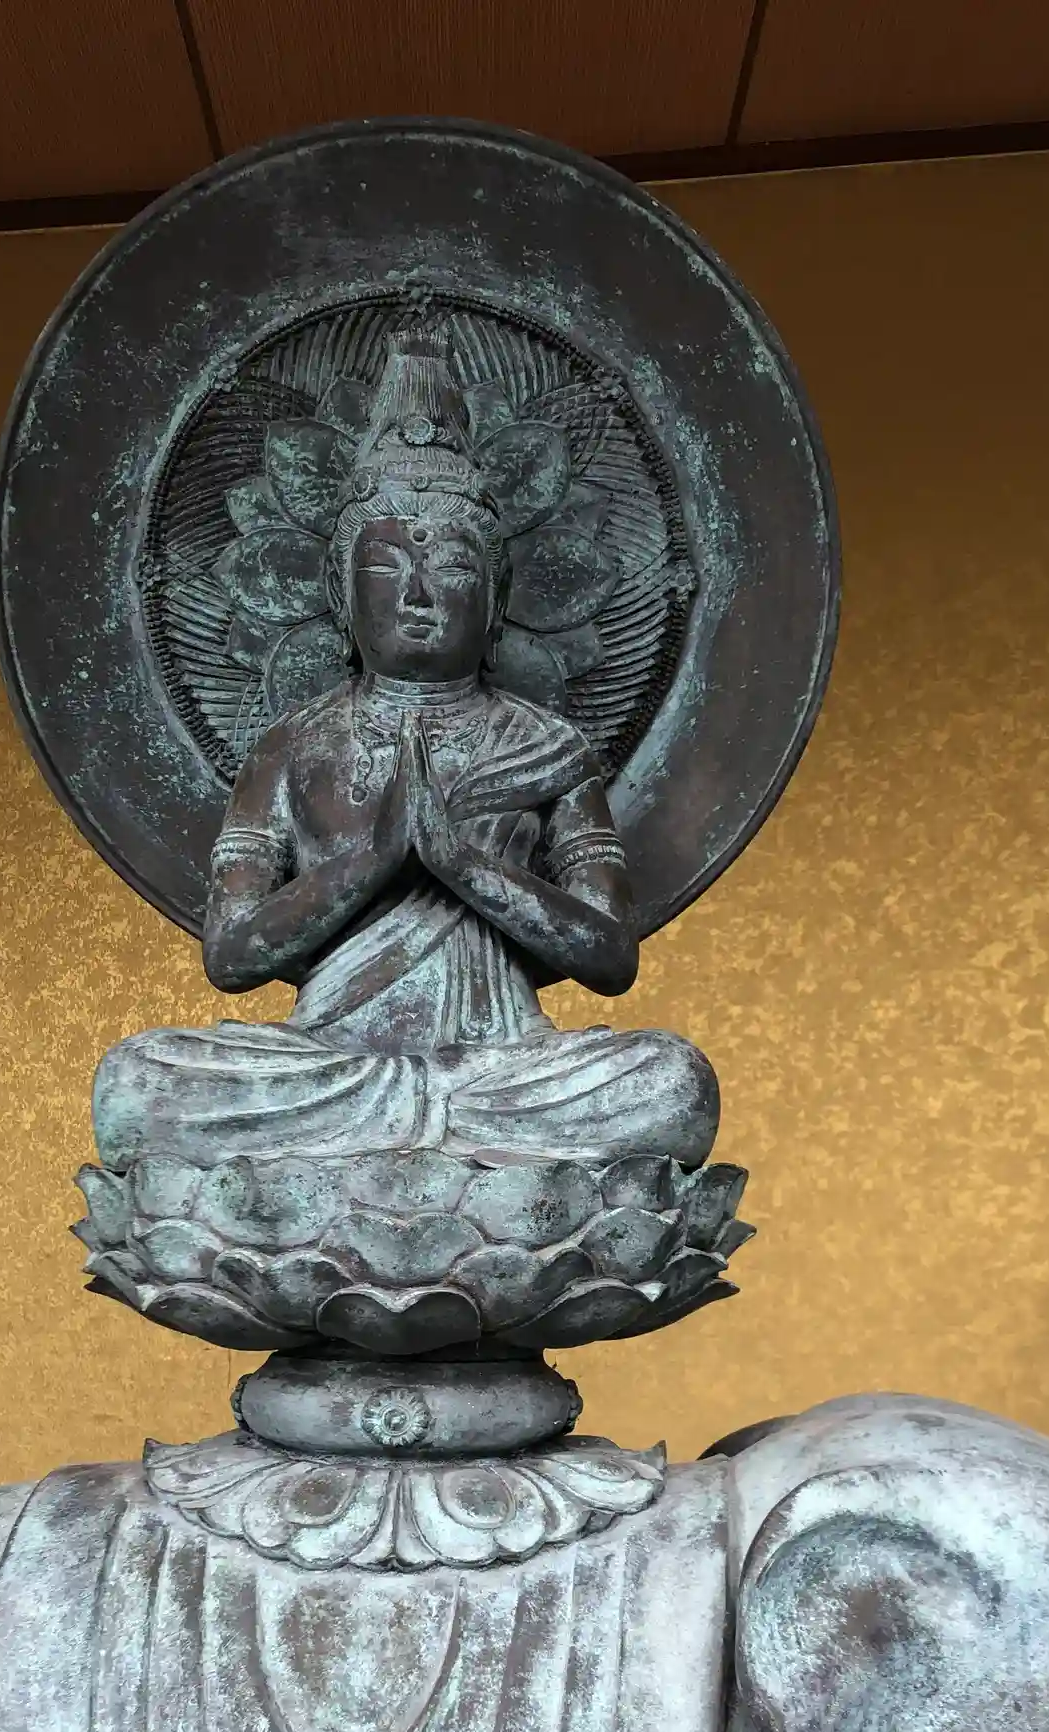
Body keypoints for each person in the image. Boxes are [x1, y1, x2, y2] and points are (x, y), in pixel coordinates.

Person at [93, 336, 718, 1172]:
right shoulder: (292, 745)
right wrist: (374, 858)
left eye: (452, 567)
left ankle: (429, 1122)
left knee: (667, 1081)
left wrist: (460, 861)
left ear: (494, 597)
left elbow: (609, 956)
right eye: (386, 567)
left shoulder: (548, 746)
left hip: (502, 1064)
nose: (418, 595)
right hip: (331, 1060)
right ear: (339, 593)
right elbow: (232, 955)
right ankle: (419, 1125)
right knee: (139, 1083)